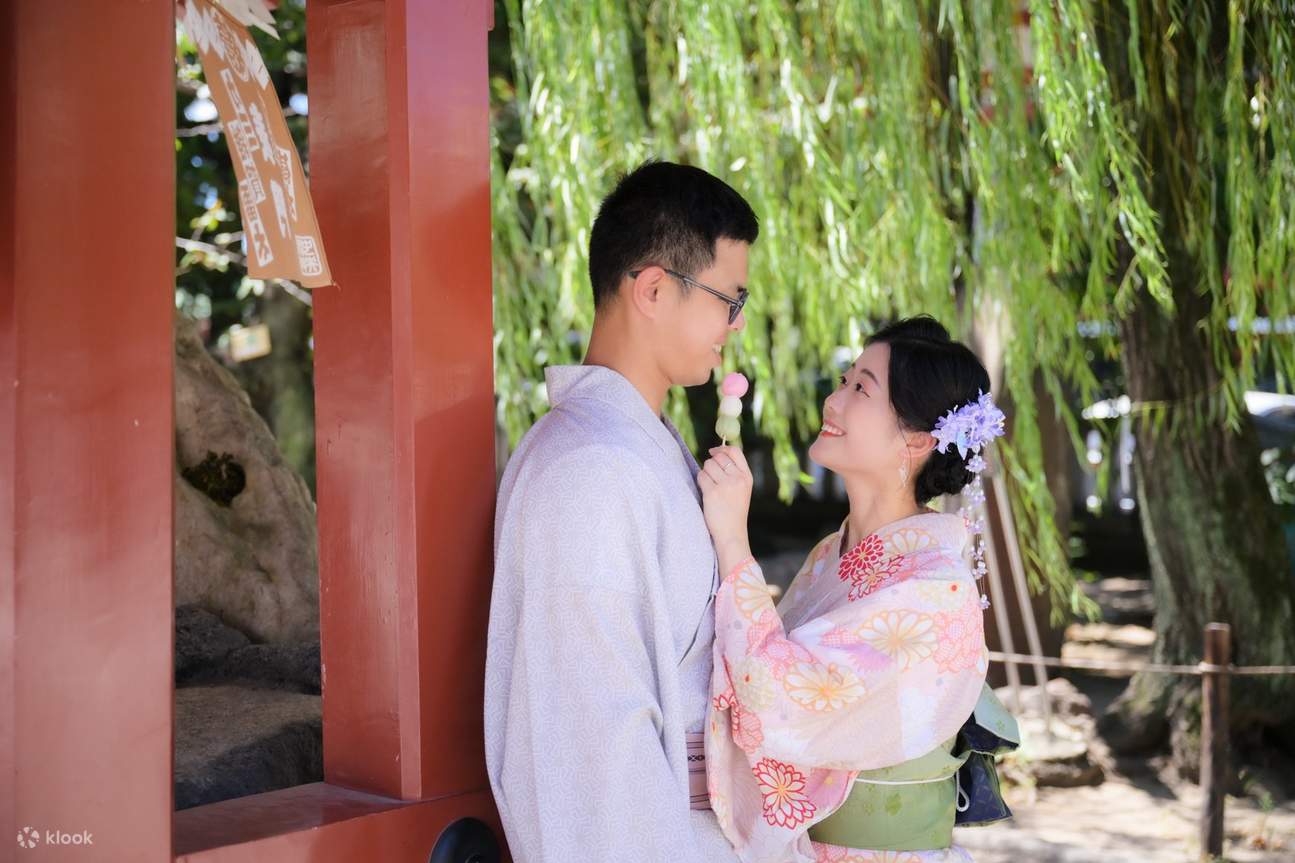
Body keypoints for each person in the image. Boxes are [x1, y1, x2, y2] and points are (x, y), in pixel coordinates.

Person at [485, 160, 757, 862]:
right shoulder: (588, 468)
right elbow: (594, 734)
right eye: (728, 299)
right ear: (656, 289)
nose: (733, 324)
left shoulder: (634, 448)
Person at [698, 316, 1019, 863]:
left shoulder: (936, 590)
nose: (834, 400)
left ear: (917, 439)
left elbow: (778, 697)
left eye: (861, 388)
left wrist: (733, 541)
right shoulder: (832, 552)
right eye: (845, 380)